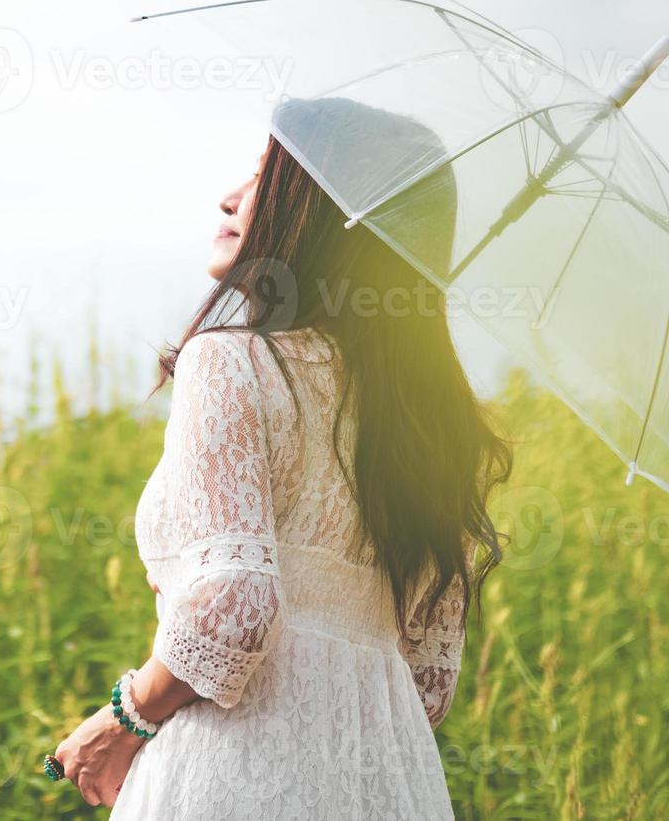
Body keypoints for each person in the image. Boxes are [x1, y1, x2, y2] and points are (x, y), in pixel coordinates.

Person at [46, 98, 512, 818]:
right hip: (388, 782)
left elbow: (236, 606)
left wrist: (122, 721)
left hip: (235, 769)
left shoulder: (233, 361)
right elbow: (429, 683)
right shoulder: (432, 421)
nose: (230, 197)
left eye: (265, 175)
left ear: (327, 212)